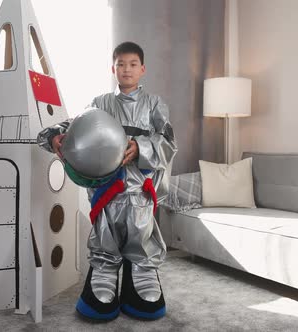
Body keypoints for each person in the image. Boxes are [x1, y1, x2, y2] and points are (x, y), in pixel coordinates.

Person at [37, 41, 177, 320]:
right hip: (106, 188)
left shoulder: (154, 105)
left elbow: (168, 142)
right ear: (112, 68)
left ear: (142, 69)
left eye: (133, 64)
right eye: (121, 64)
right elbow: (76, 126)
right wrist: (53, 137)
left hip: (139, 186)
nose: (126, 69)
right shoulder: (100, 103)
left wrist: (140, 147)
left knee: (141, 227)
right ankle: (104, 270)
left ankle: (143, 270)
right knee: (105, 228)